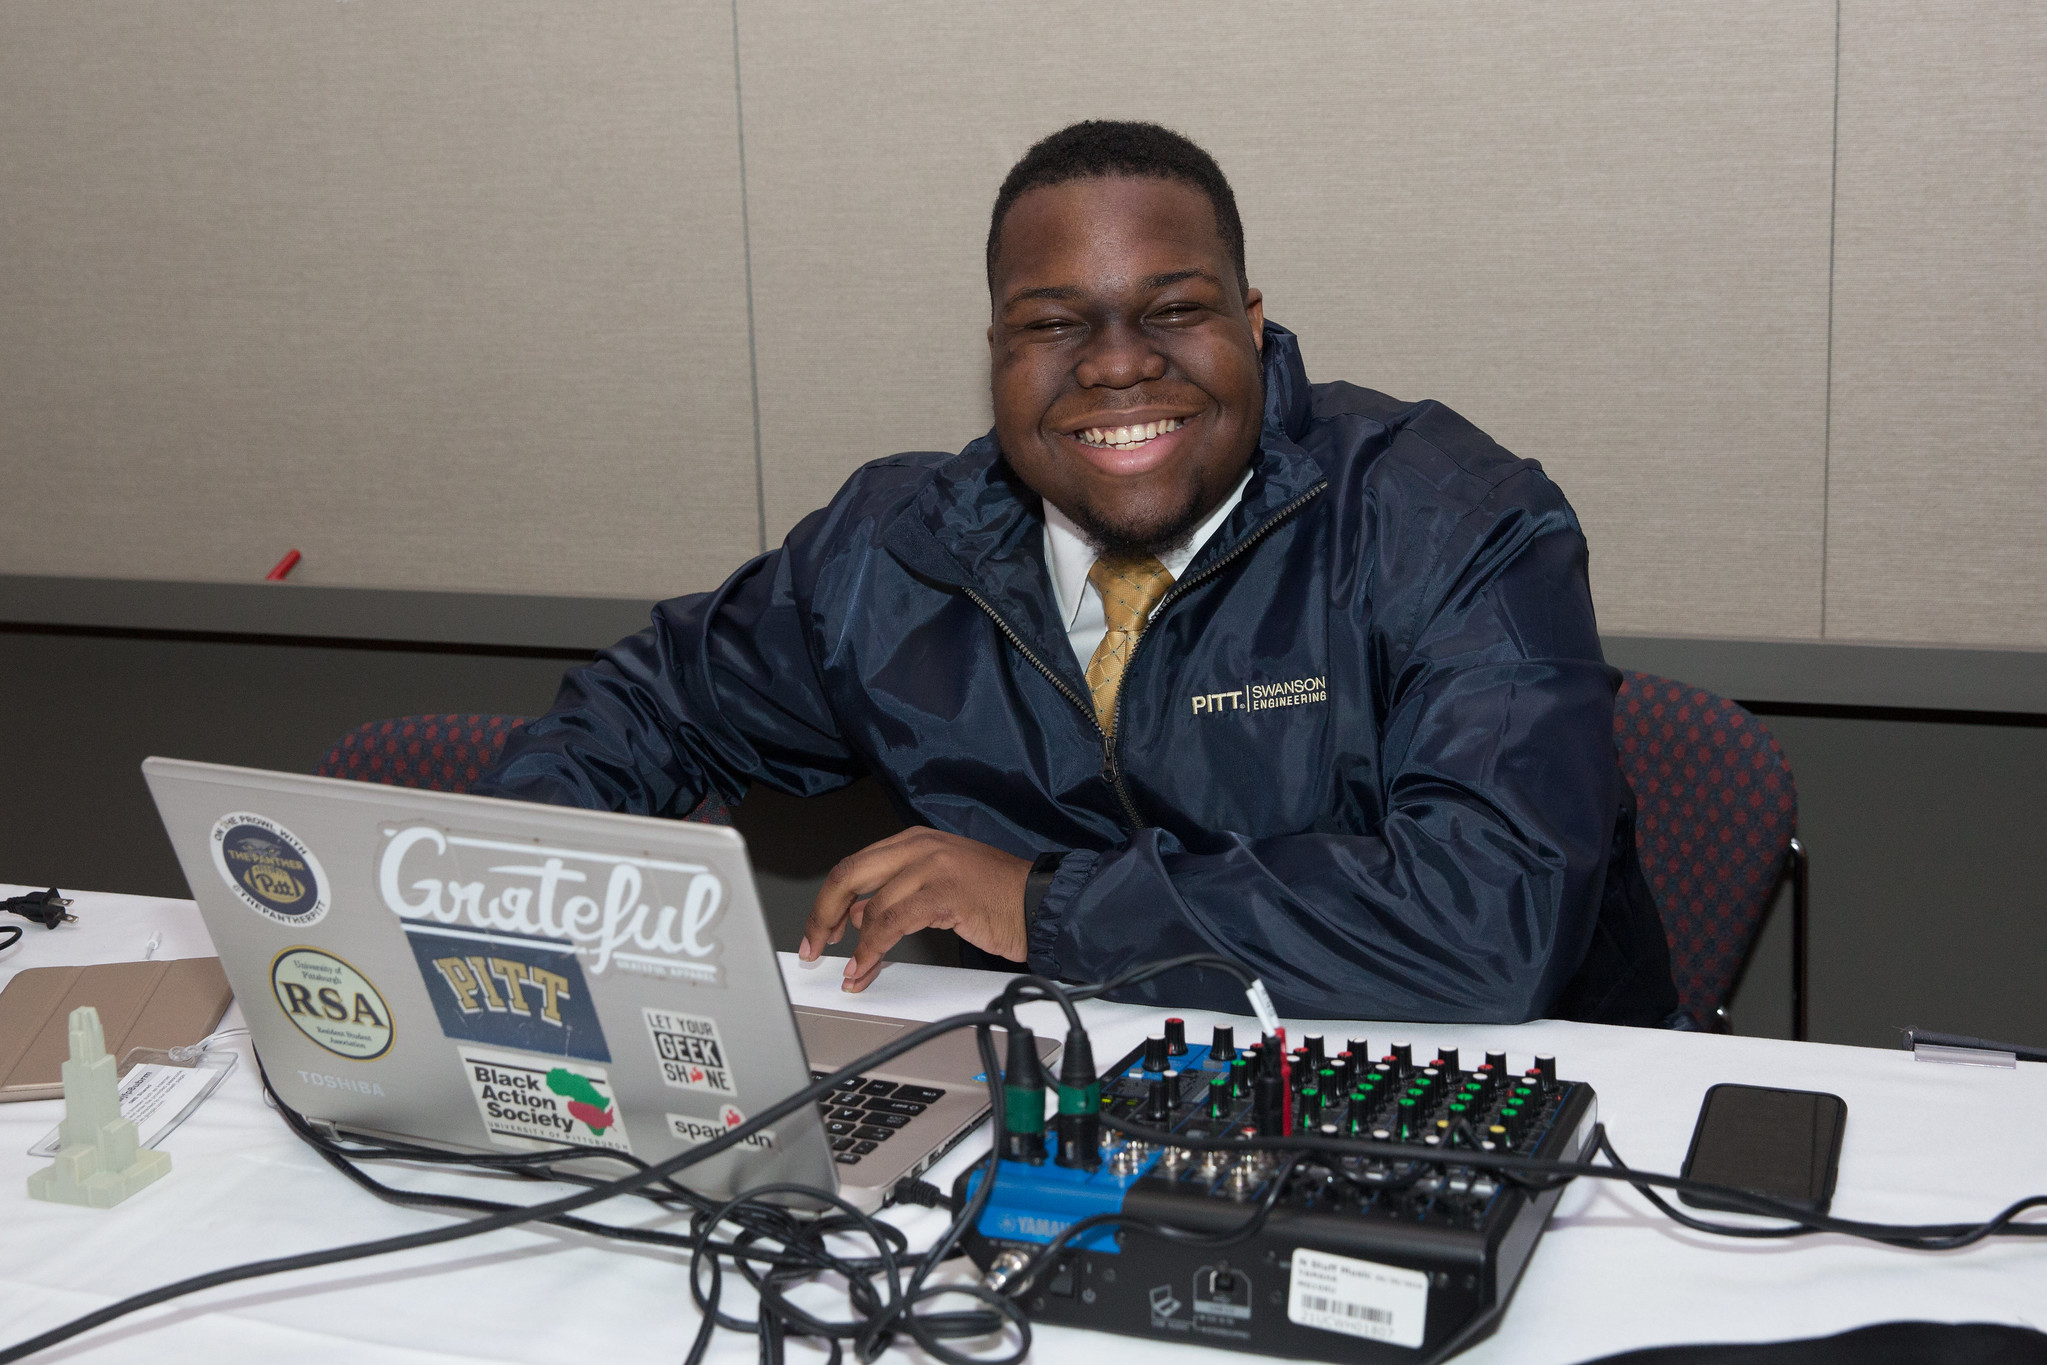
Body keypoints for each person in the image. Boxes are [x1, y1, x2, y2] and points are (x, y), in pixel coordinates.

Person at [476, 120, 1678, 1025]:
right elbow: (652, 705)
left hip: (1500, 1118)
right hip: (1063, 1096)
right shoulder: (893, 550)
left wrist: (1041, 906)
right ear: (997, 350)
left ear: (1253, 322)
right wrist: (495, 910)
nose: (1113, 367)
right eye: (1052, 324)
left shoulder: (1444, 518)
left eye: (1173, 309)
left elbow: (1487, 922)